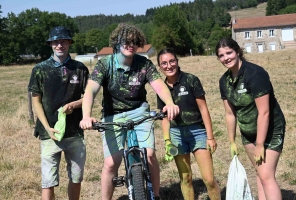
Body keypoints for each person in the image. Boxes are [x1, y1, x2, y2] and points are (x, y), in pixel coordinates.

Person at [79, 23, 179, 200]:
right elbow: (90, 91)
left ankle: (155, 195)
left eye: (134, 41)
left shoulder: (144, 64)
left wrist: (170, 102)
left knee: (149, 155)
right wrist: (86, 116)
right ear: (117, 42)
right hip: (112, 116)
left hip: (140, 113)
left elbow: (159, 86)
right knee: (111, 163)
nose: (130, 44)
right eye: (126, 41)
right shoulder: (105, 65)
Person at [215, 38, 286, 200]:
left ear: (237, 51)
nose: (226, 58)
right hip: (248, 132)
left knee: (266, 176)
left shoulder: (255, 74)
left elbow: (264, 112)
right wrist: (232, 141)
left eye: (229, 53)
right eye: (221, 55)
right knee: (259, 173)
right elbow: (230, 113)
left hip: (270, 130)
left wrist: (260, 144)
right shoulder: (224, 81)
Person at [28, 26, 89, 200]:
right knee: (48, 182)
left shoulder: (80, 68)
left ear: (69, 43)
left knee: (76, 179)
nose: (59, 45)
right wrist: (47, 128)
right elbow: (36, 101)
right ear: (51, 44)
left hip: (75, 133)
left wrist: (75, 104)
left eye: (63, 41)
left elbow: (88, 97)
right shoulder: (40, 69)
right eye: (55, 41)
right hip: (49, 134)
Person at [156, 48, 221, 200]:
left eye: (172, 61)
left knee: (210, 180)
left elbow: (204, 109)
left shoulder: (191, 80)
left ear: (177, 62)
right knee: (186, 179)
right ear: (160, 67)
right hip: (177, 135)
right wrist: (167, 141)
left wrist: (210, 137)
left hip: (198, 132)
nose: (169, 66)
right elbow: (164, 117)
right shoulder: (161, 88)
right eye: (164, 63)